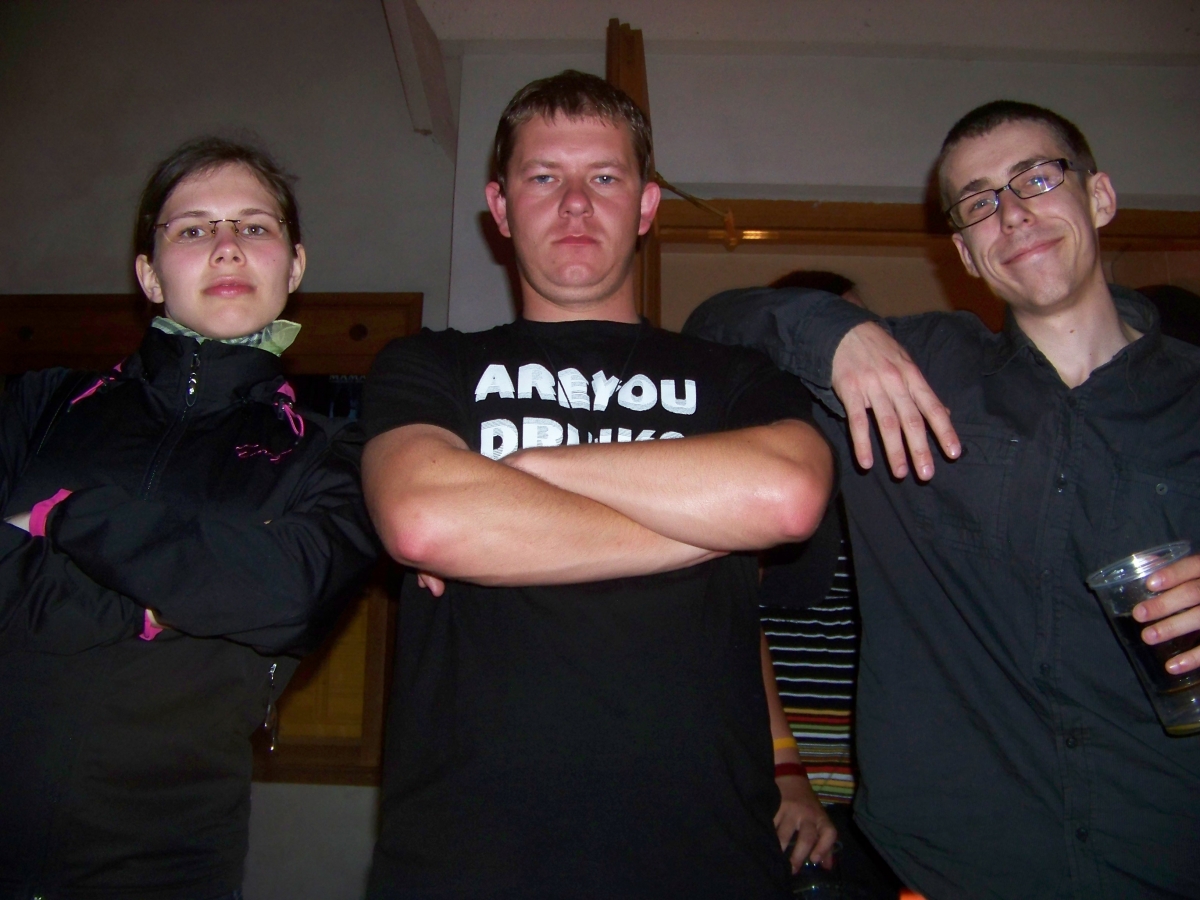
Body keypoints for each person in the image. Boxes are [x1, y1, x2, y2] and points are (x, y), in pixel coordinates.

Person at [685, 100, 1200, 898]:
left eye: (1036, 178)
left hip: (1167, 850)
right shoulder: (918, 372)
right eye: (980, 201)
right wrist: (839, 334)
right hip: (951, 867)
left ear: (1099, 197)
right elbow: (712, 326)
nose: (1013, 213)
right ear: (965, 250)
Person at [361, 70, 835, 898]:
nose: (576, 204)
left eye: (605, 178)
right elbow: (425, 520)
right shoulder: (429, 365)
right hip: (465, 863)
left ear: (647, 205)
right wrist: (713, 523)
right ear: (501, 207)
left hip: (707, 861)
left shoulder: (735, 377)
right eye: (544, 177)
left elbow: (786, 498)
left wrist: (525, 471)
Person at [0, 138, 378, 898]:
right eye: (194, 228)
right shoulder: (43, 402)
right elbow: (230, 586)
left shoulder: (334, 455)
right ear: (149, 273)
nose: (227, 247)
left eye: (255, 226)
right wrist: (152, 606)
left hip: (164, 865)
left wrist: (62, 516)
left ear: (294, 266)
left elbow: (285, 596)